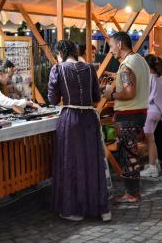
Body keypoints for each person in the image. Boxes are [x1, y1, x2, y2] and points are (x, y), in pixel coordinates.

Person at [48, 40, 110, 221]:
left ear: (60, 52)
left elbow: (52, 99)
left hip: (70, 118)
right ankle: (100, 209)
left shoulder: (58, 69)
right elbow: (96, 97)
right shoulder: (90, 68)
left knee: (71, 162)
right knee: (92, 162)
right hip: (89, 118)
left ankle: (74, 210)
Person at [102, 31, 150, 203]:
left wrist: (111, 95)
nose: (110, 51)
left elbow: (130, 92)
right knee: (132, 153)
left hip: (128, 115)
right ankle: (133, 191)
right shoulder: (140, 60)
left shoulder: (125, 65)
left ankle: (131, 193)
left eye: (111, 46)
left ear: (120, 45)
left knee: (128, 155)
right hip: (139, 113)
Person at [140, 54, 162, 178]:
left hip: (150, 111)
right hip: (159, 111)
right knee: (152, 139)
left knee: (150, 141)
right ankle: (155, 163)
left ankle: (152, 168)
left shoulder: (149, 78)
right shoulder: (161, 78)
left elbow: (146, 96)